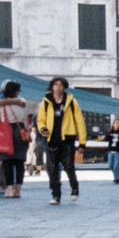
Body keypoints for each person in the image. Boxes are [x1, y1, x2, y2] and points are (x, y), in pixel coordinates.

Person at [36, 77, 87, 205]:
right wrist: (45, 132)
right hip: (52, 139)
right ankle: (56, 195)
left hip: (67, 139)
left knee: (69, 166)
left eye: (60, 85)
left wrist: (82, 142)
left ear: (64, 87)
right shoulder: (46, 102)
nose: (58, 87)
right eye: (55, 84)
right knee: (52, 169)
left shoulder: (71, 102)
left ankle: (74, 187)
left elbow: (80, 121)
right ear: (52, 87)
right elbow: (40, 120)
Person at [0, 82, 30, 199]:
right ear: (16, 92)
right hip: (21, 135)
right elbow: (26, 119)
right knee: (20, 163)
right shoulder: (22, 103)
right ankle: (17, 190)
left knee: (8, 163)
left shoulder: (1, 105)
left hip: (6, 135)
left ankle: (9, 189)